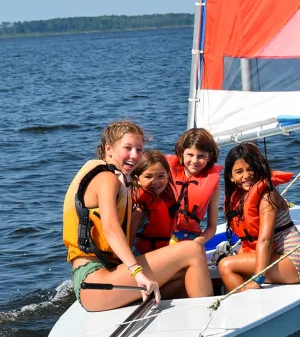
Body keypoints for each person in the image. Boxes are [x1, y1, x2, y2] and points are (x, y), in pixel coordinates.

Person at [63, 121, 213, 312]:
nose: (135, 156)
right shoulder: (106, 178)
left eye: (139, 149)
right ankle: (208, 316)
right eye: (128, 148)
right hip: (94, 282)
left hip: (105, 276)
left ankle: (193, 313)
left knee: (185, 274)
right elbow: (110, 228)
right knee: (192, 250)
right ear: (108, 149)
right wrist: (137, 272)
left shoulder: (114, 177)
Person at [218, 142, 300, 292]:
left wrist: (258, 278)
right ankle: (245, 299)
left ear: (259, 169)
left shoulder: (267, 196)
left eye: (250, 169)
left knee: (226, 265)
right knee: (240, 254)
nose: (246, 175)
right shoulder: (239, 197)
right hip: (279, 257)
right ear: (231, 177)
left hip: (296, 262)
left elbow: (265, 239)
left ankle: (243, 307)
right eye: (239, 171)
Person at [166, 128, 222, 246]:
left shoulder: (214, 187)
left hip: (191, 239)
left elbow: (212, 227)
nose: (194, 161)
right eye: (190, 155)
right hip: (164, 234)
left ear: (209, 156)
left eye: (201, 156)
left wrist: (198, 242)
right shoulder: (166, 174)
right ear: (182, 153)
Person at [130, 149, 178, 255]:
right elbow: (127, 244)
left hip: (158, 255)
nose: (155, 182)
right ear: (136, 179)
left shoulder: (165, 200)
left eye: (161, 176)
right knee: (192, 250)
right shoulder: (139, 210)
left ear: (168, 176)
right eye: (148, 177)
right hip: (139, 260)